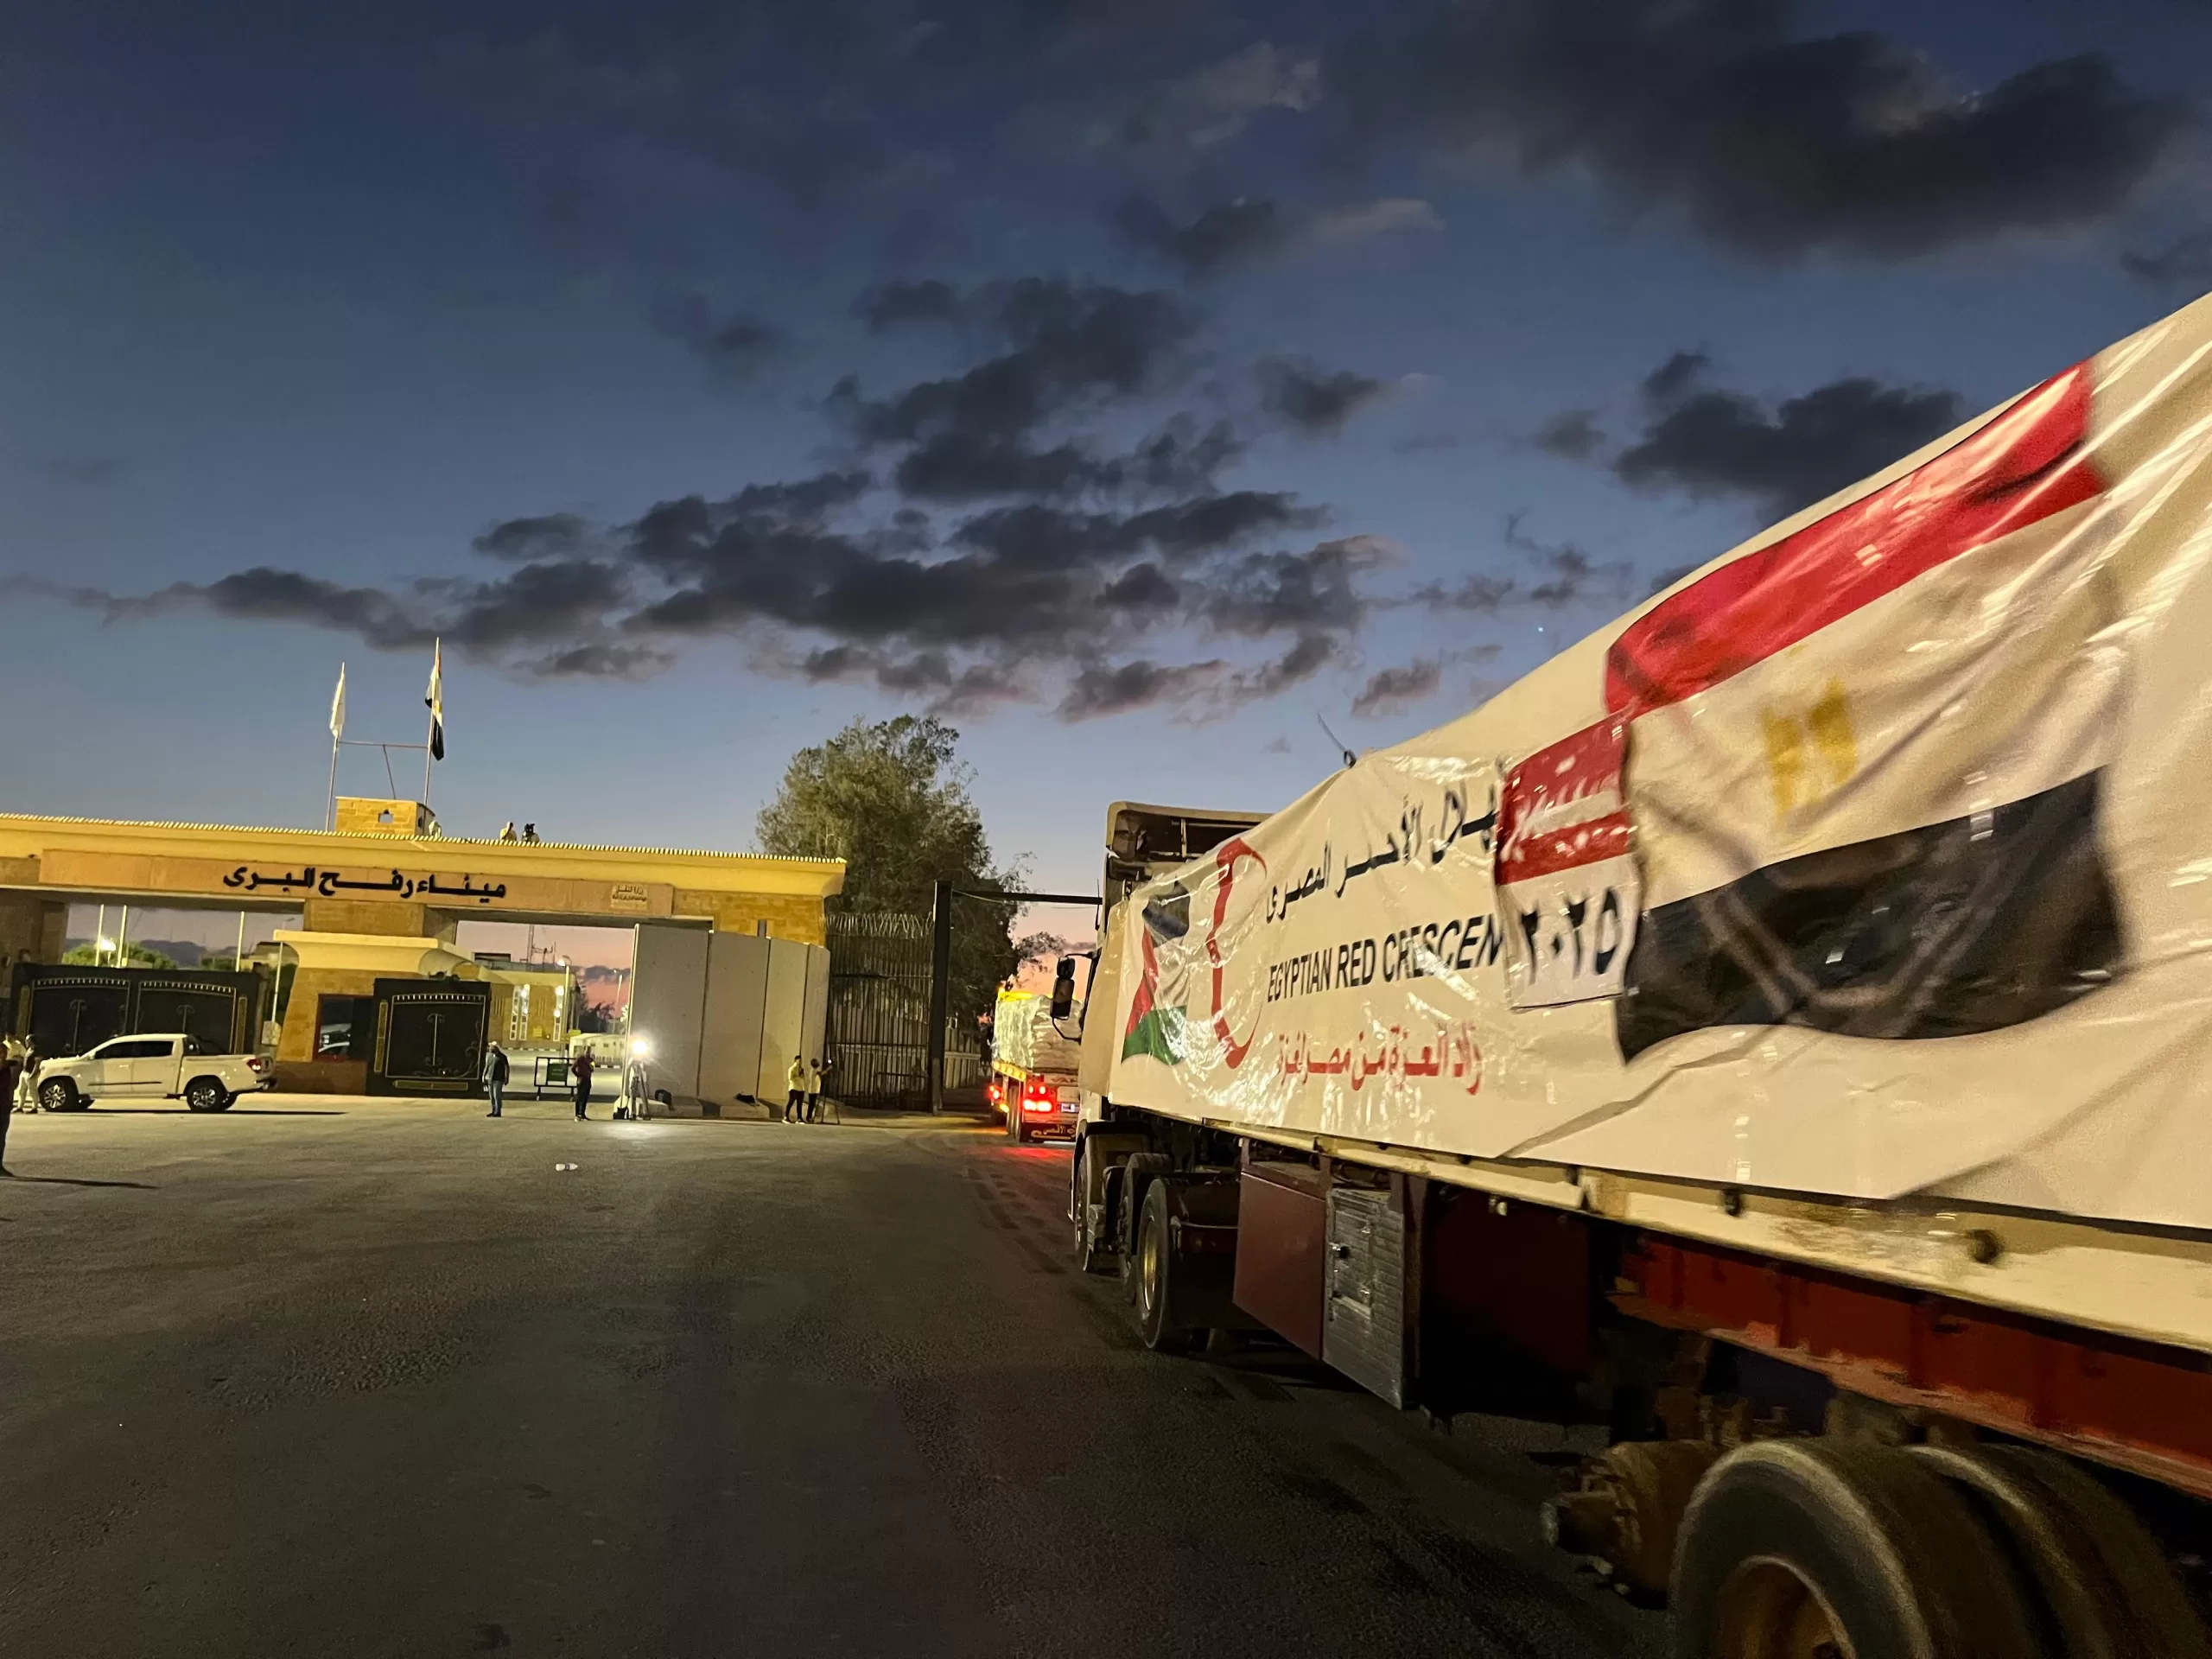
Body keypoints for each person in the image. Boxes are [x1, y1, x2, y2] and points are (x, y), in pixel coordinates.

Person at [483, 1040, 509, 1118]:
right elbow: (487, 1066)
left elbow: (506, 1067)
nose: (490, 1048)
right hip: (490, 1078)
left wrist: (506, 1078)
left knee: (497, 1096)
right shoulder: (489, 1056)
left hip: (498, 1079)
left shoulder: (503, 1057)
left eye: (492, 1047)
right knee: (491, 1096)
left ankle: (498, 1111)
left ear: (496, 1048)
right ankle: (493, 1110)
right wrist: (483, 1076)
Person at [571, 1046, 594, 1121]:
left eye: (589, 1051)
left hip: (588, 1080)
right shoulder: (580, 1059)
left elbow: (592, 1069)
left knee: (585, 1098)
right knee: (579, 1097)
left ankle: (583, 1114)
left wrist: (591, 1064)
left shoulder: (591, 1060)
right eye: (587, 1051)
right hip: (581, 1080)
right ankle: (577, 1114)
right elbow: (573, 1068)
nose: (588, 1052)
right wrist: (578, 1076)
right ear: (584, 1051)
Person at [785, 1052, 807, 1122]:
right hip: (794, 1088)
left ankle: (799, 1118)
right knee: (791, 1102)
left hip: (801, 1088)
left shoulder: (801, 1069)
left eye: (801, 1061)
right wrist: (798, 1077)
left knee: (799, 1104)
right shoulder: (792, 1068)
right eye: (799, 1061)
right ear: (796, 1061)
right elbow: (790, 1078)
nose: (800, 1062)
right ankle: (786, 1116)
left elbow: (803, 1078)